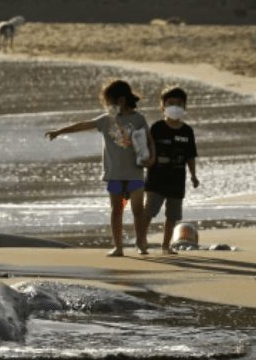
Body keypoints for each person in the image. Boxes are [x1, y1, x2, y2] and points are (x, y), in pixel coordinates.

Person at [46, 79, 153, 256]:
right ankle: (118, 247)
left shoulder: (138, 119)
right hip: (114, 175)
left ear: (122, 100)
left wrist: (152, 158)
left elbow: (149, 140)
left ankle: (140, 242)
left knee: (137, 211)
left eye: (108, 100)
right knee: (116, 210)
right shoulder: (106, 120)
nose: (106, 105)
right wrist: (59, 132)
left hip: (135, 173)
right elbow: (82, 125)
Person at [141, 86, 200, 254]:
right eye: (171, 103)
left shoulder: (187, 131)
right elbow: (146, 149)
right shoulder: (157, 127)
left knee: (172, 216)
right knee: (149, 212)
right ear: (162, 106)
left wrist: (194, 176)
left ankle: (165, 245)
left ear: (185, 107)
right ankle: (142, 240)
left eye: (179, 103)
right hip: (155, 179)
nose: (175, 106)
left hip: (177, 180)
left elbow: (191, 155)